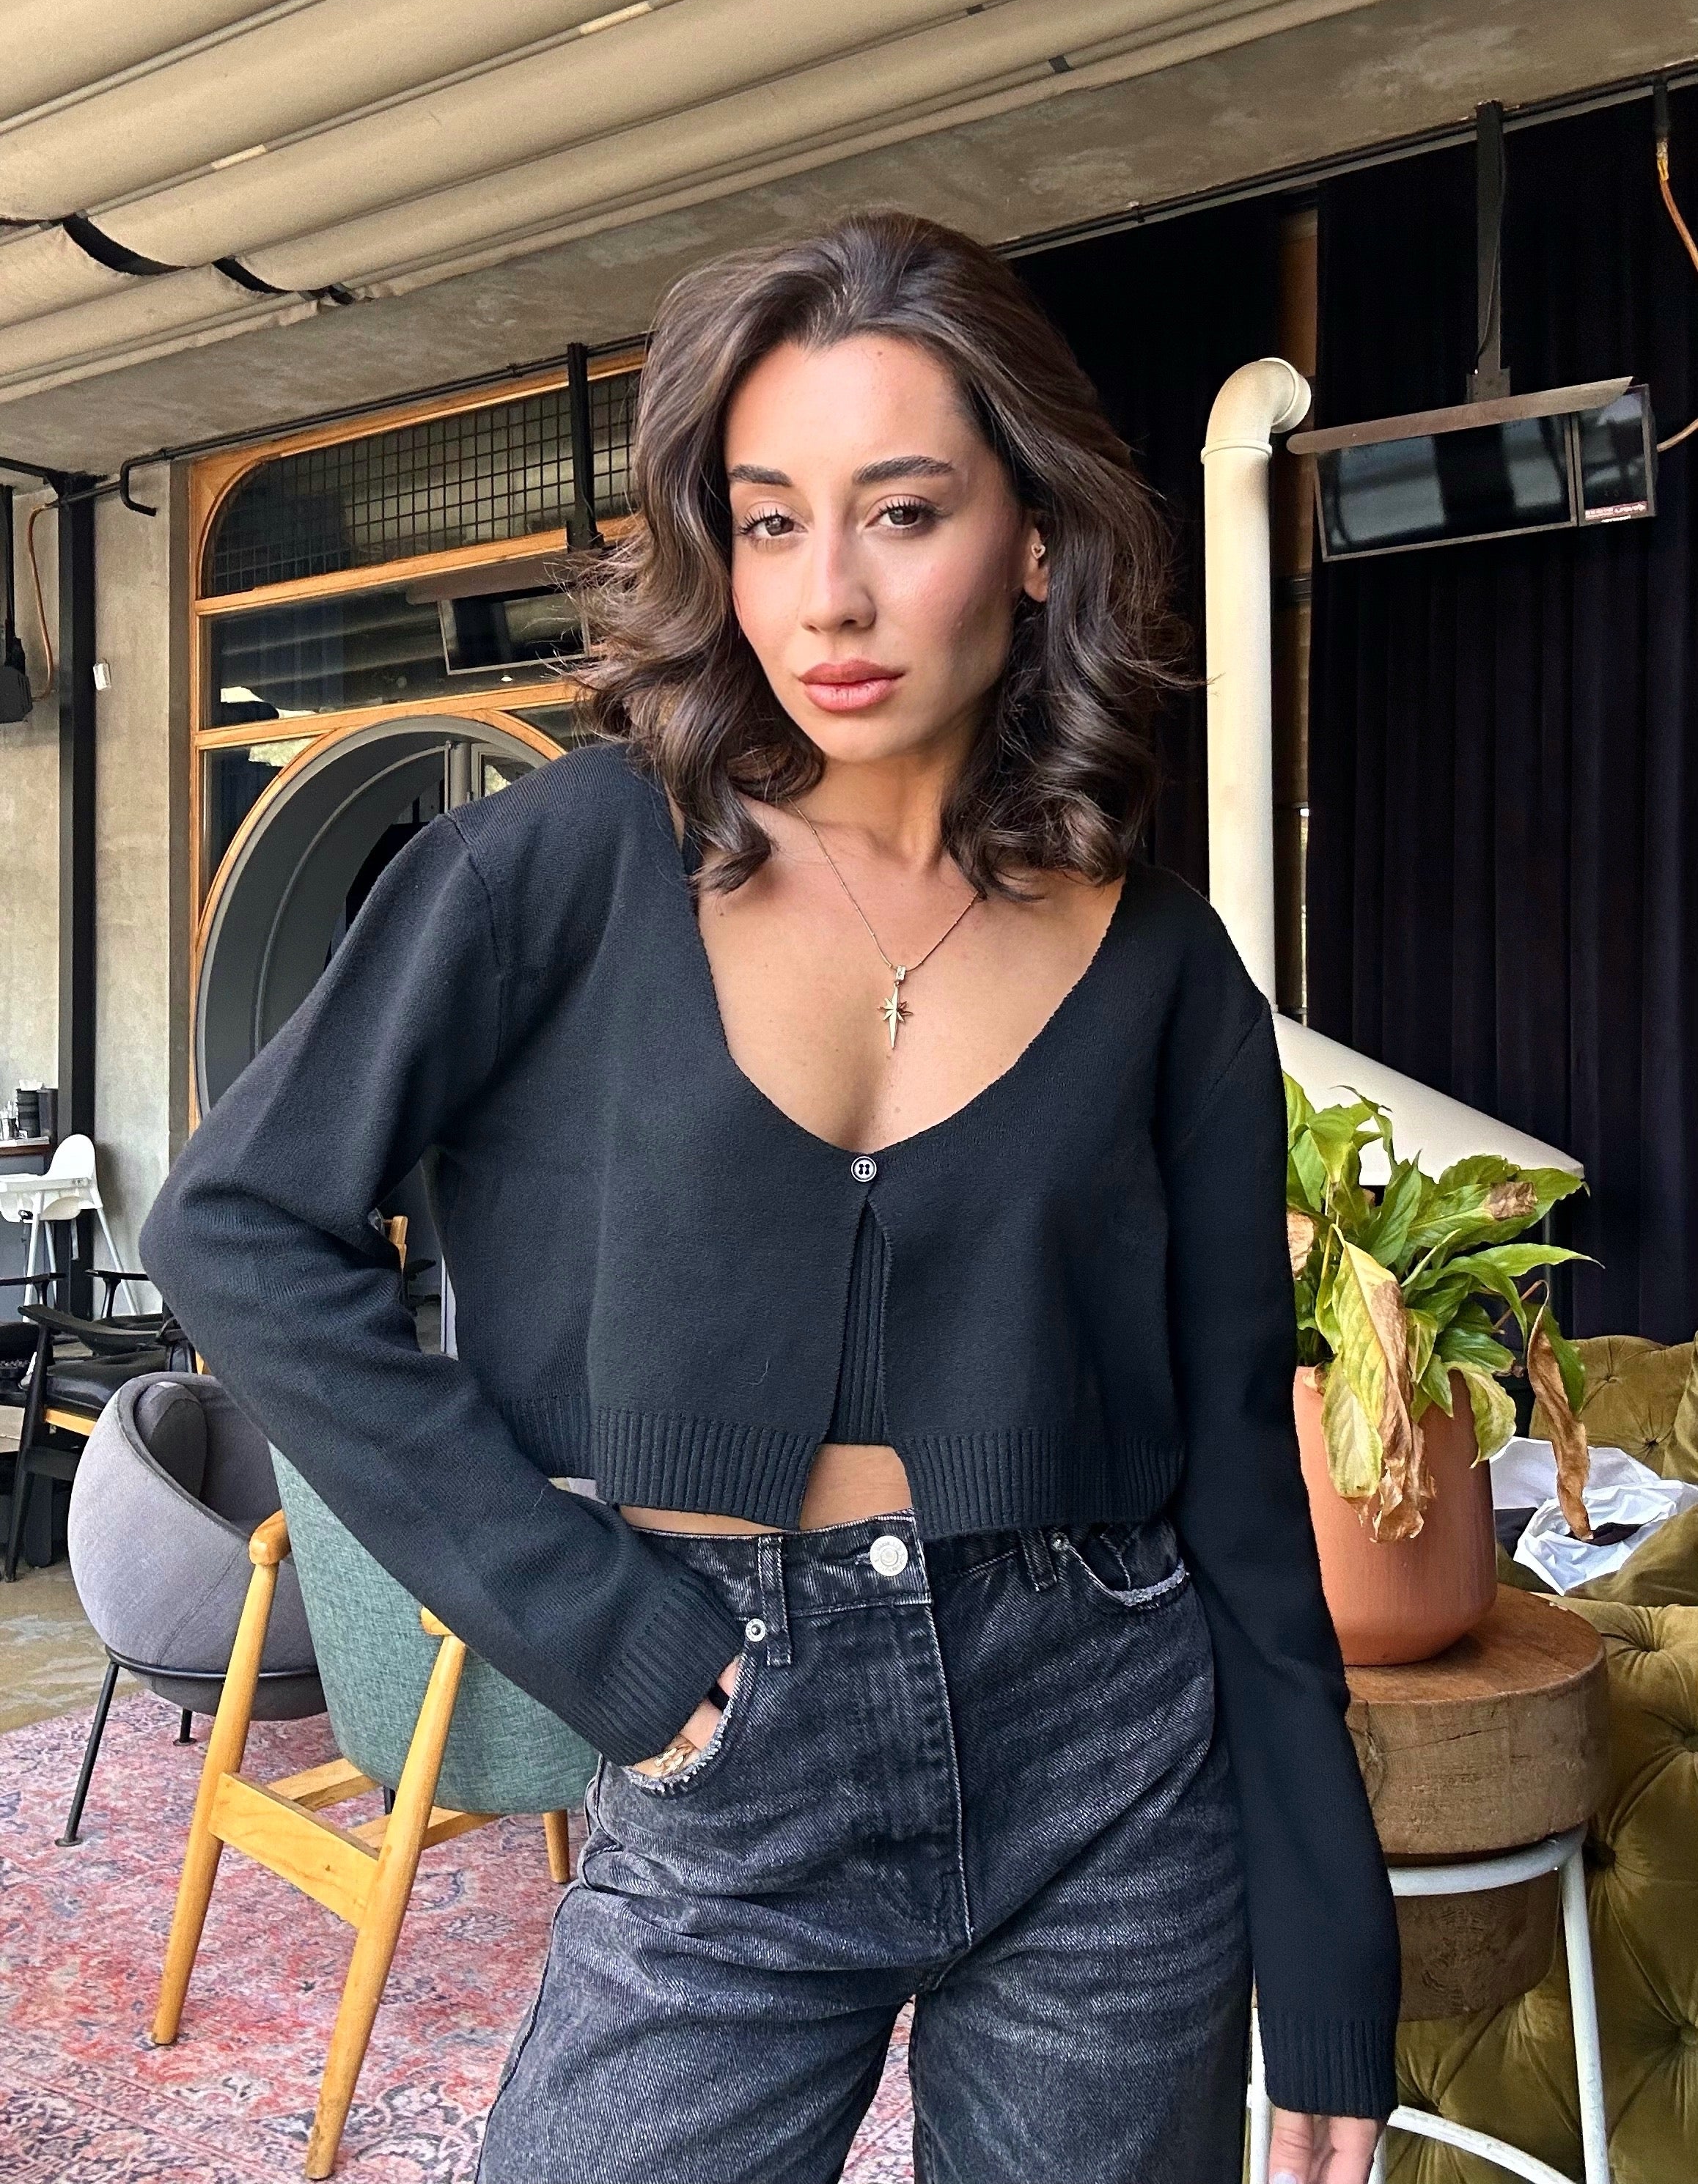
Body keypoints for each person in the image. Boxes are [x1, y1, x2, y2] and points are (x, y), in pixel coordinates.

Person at [139, 208, 1399, 2184]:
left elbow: (1241, 1472)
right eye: (770, 521)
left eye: (902, 512)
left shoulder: (1162, 968)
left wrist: (1328, 1950)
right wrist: (592, 1627)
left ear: (1035, 537)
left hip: (1110, 1751)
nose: (831, 595)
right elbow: (236, 1227)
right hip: (724, 1729)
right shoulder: (558, 868)